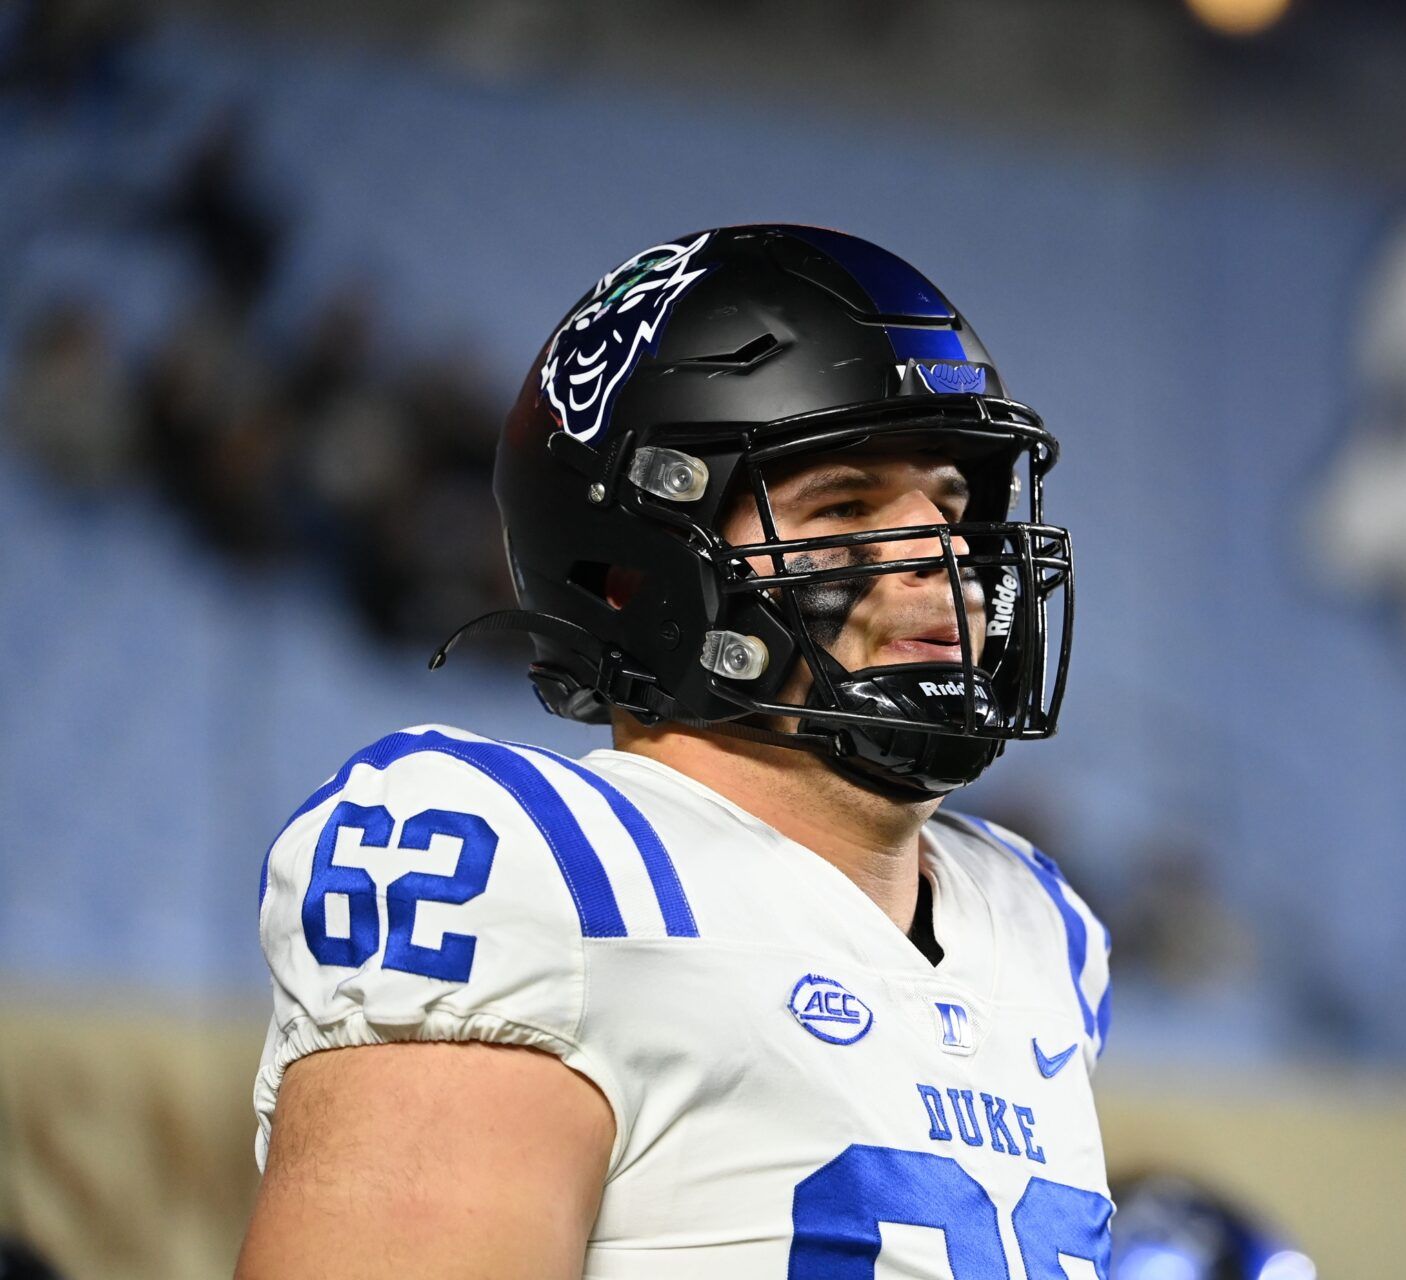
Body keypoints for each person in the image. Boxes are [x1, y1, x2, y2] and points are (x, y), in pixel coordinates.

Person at [236, 225, 1112, 1278]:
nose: (947, 559)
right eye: (843, 505)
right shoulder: (544, 875)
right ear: (638, 567)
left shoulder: (1038, 927)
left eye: (955, 508)